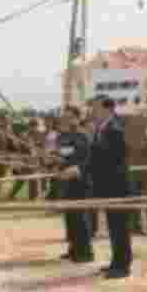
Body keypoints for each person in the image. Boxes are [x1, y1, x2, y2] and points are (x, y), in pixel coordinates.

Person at [88, 96, 133, 279]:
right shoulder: (102, 128)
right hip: (106, 185)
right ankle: (116, 262)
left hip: (117, 186)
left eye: (95, 108)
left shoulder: (115, 129)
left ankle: (122, 266)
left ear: (107, 109)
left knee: (120, 227)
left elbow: (112, 158)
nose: (92, 111)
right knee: (113, 228)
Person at [55, 105, 94, 263]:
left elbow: (89, 159)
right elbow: (63, 156)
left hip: (81, 181)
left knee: (80, 217)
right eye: (65, 117)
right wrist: (54, 161)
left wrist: (76, 169)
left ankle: (85, 252)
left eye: (71, 117)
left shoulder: (84, 136)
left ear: (78, 118)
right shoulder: (62, 137)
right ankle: (73, 248)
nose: (67, 120)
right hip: (66, 181)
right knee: (70, 217)